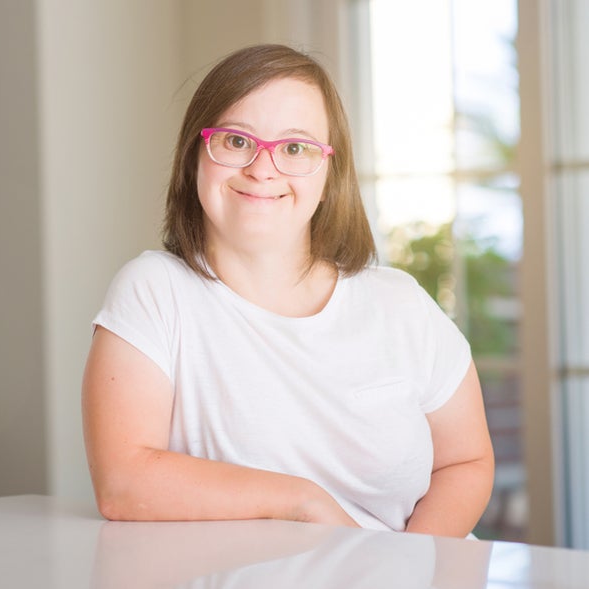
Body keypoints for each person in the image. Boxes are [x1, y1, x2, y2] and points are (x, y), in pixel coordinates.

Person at [81, 44, 494, 537]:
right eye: (236, 141)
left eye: (295, 148)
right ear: (197, 154)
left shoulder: (401, 303)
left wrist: (406, 568)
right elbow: (124, 483)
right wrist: (303, 503)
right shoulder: (154, 292)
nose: (263, 168)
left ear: (328, 174)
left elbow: (464, 462)